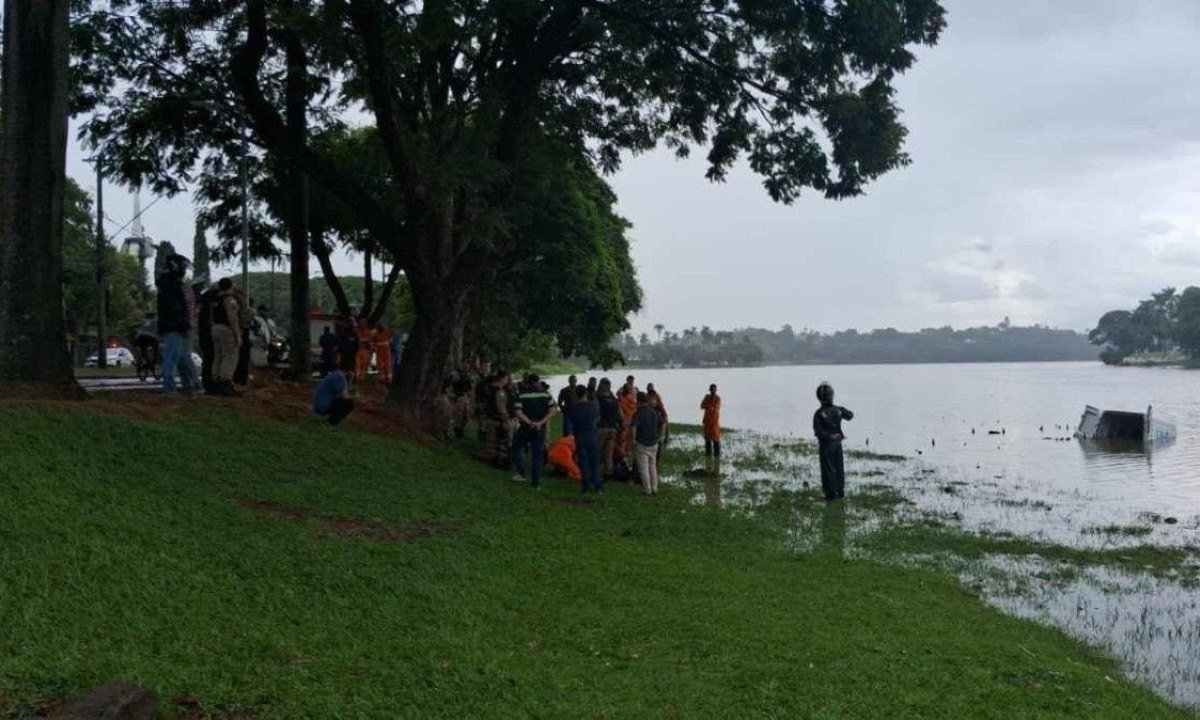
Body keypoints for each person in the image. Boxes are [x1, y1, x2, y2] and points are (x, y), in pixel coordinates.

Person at [155, 254, 199, 395]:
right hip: (174, 326)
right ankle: (169, 388)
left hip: (173, 325)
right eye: (183, 267)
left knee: (182, 357)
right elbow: (176, 308)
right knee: (172, 357)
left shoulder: (169, 283)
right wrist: (183, 324)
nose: (184, 270)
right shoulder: (171, 285)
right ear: (175, 266)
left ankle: (191, 385)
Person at [512, 374, 558, 487]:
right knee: (537, 455)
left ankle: (521, 473)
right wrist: (540, 423)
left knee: (516, 448)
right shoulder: (546, 395)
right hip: (539, 428)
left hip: (525, 427)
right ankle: (535, 483)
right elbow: (553, 410)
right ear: (538, 381)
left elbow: (518, 412)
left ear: (527, 382)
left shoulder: (521, 394)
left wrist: (529, 422)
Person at [813, 382, 855, 502]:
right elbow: (850, 415)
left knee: (828, 469)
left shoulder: (819, 413)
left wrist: (830, 436)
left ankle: (831, 495)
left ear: (819, 399)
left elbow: (818, 432)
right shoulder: (838, 410)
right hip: (837, 443)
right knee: (839, 467)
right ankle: (840, 492)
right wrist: (841, 410)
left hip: (826, 445)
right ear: (832, 396)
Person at [210, 278, 243, 396]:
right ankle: (225, 383)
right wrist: (237, 335)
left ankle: (216, 382)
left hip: (215, 328)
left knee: (218, 356)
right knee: (230, 355)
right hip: (226, 329)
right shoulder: (229, 299)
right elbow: (232, 317)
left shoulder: (216, 299)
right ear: (230, 286)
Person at [567, 385, 602, 494]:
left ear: (576, 395)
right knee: (595, 463)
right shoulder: (594, 406)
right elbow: (597, 419)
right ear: (586, 393)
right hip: (592, 435)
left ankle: (585, 486)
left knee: (583, 463)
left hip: (580, 436)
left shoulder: (573, 408)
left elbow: (572, 422)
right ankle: (598, 487)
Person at [631, 391, 663, 495]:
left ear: (638, 401)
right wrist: (660, 436)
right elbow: (662, 423)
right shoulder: (654, 411)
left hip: (642, 443)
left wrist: (633, 440)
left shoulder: (638, 413)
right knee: (652, 466)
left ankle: (647, 490)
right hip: (654, 443)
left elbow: (634, 427)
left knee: (643, 468)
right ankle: (655, 488)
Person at [596, 378, 621, 478]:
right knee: (609, 453)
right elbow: (620, 415)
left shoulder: (598, 398)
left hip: (602, 428)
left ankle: (597, 472)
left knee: (598, 451)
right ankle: (608, 472)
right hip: (613, 429)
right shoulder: (614, 400)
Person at [647, 382, 669, 469]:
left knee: (658, 446)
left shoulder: (658, 404)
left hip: (658, 431)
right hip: (650, 432)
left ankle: (656, 464)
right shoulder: (646, 403)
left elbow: (665, 417)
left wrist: (665, 435)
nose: (651, 400)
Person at [701, 384, 722, 459]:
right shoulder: (707, 397)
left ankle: (717, 456)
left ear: (716, 390)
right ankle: (708, 456)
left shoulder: (718, 398)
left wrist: (710, 407)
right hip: (707, 421)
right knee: (707, 440)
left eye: (714, 390)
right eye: (711, 390)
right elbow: (702, 406)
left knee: (716, 440)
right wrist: (709, 406)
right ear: (710, 390)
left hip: (714, 422)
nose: (713, 391)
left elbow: (716, 407)